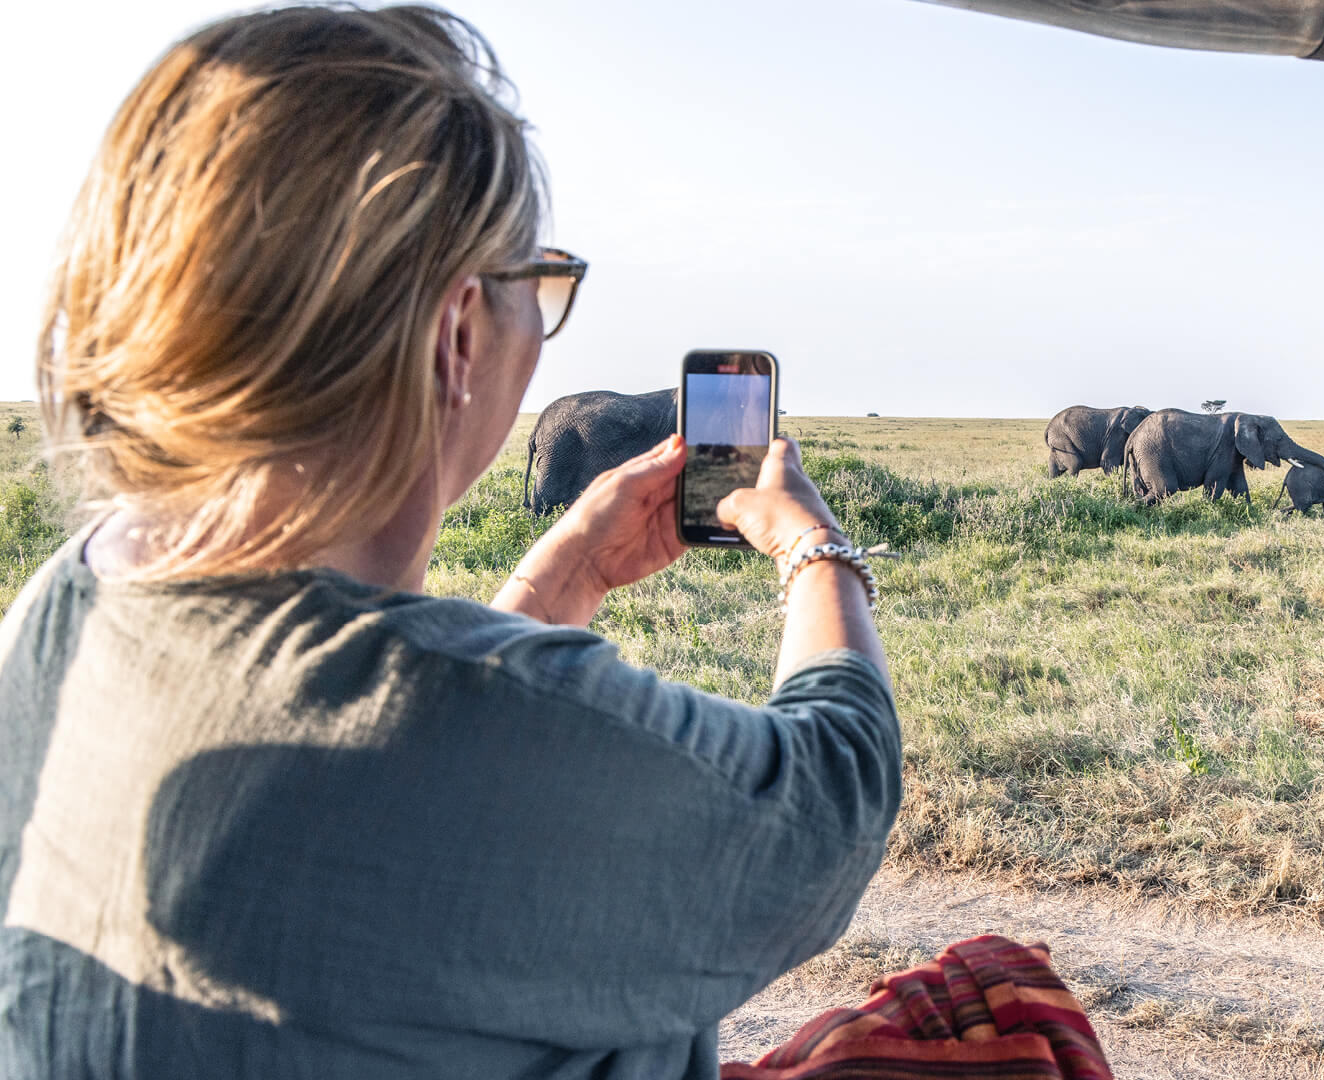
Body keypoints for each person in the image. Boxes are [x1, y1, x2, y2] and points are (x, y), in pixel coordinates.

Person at [0, 7, 898, 1079]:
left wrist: (553, 583)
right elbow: (831, 800)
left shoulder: (66, 598)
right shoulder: (476, 720)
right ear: (458, 331)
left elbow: (399, 796)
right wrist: (813, 549)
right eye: (544, 283)